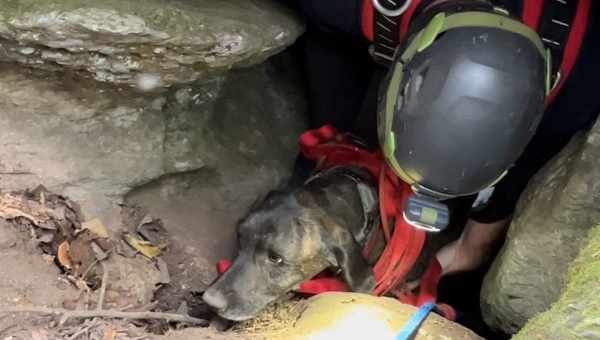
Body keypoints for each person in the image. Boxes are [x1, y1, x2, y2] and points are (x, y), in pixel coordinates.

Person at [291, 0, 600, 276]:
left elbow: (480, 237)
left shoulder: (577, 89)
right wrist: (335, 138)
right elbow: (326, 41)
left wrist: (453, 258)